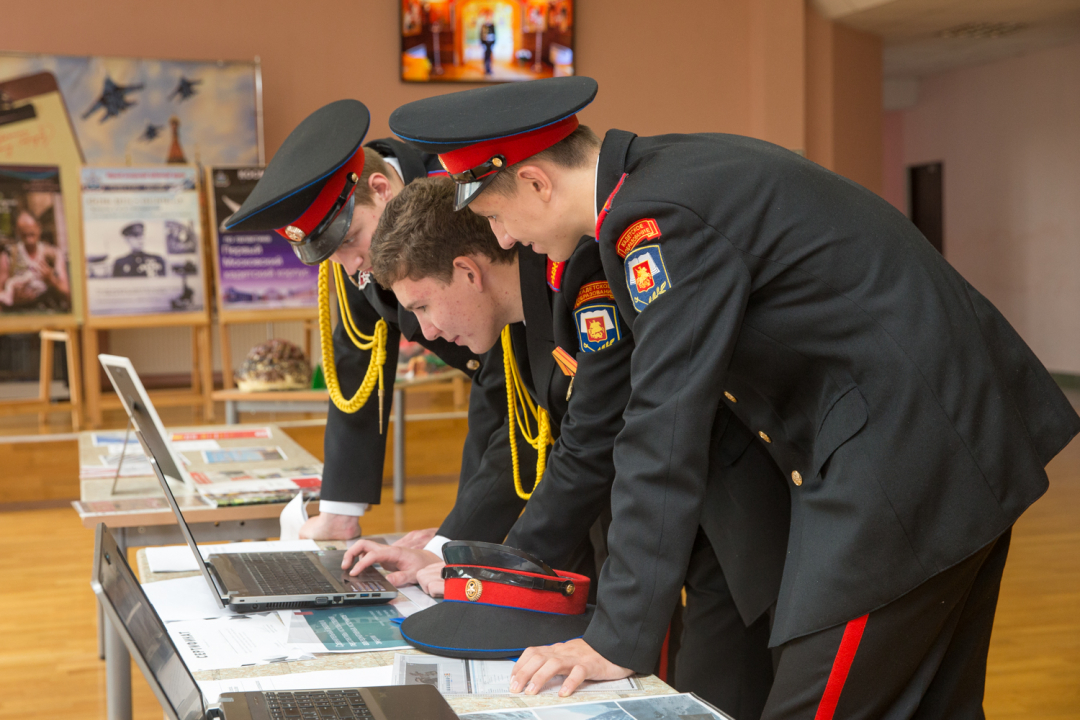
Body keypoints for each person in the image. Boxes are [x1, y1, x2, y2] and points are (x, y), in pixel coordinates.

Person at [386, 76, 1080, 718]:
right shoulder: (667, 177)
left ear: (536, 182)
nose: (505, 240)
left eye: (500, 219)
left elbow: (664, 424)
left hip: (909, 460)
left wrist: (618, 636)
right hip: (944, 437)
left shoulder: (656, 222)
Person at [355, 176, 790, 718]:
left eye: (422, 306)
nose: (424, 331)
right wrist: (460, 554)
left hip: (728, 510)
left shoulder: (582, 276)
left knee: (716, 692)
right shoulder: (524, 310)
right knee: (671, 683)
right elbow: (523, 445)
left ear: (469, 271)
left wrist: (493, 573)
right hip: (647, 516)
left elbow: (591, 443)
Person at [225, 99, 504, 547]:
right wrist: (339, 513)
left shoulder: (461, 189)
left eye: (351, 240)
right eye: (333, 252)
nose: (355, 264)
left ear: (382, 188)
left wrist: (459, 537)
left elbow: (511, 361)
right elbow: (358, 364)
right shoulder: (355, 246)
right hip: (496, 389)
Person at [0, 210, 70, 308]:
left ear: (39, 228)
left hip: (48, 312)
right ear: (18, 232)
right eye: (24, 235)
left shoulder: (53, 254)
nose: (29, 240)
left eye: (31, 234)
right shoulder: (9, 255)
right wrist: (13, 299)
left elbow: (67, 293)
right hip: (19, 313)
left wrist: (51, 280)